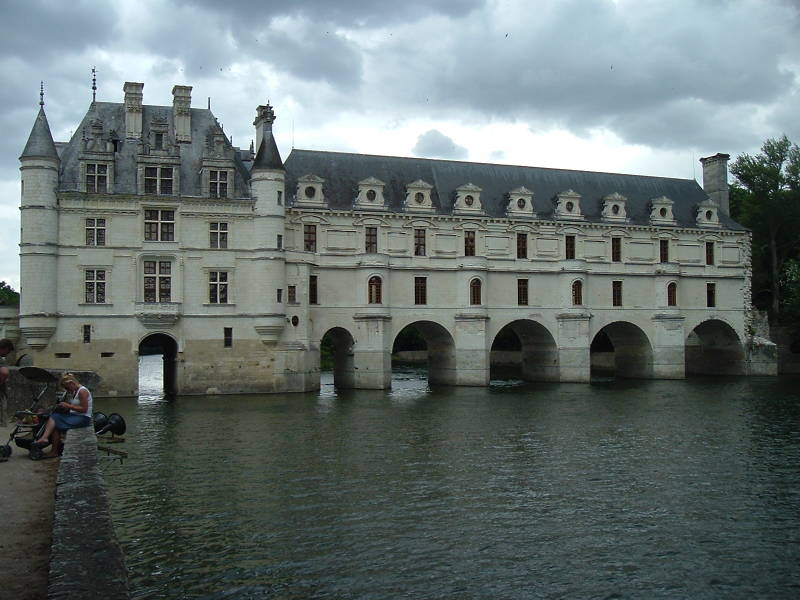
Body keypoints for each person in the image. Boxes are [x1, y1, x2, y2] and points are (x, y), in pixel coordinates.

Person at [33, 373, 93, 458]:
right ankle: (54, 451)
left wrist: (68, 406)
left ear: (71, 383)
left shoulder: (82, 391)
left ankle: (45, 438)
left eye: (67, 388)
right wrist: (66, 408)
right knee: (55, 424)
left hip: (83, 418)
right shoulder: (76, 391)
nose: (67, 390)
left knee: (54, 417)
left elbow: (84, 409)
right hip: (76, 416)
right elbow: (76, 407)